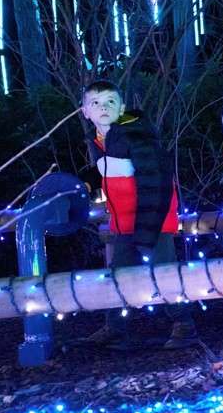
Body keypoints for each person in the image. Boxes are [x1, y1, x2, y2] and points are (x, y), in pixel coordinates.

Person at [78, 80, 198, 350]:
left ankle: (183, 323)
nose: (103, 107)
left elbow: (155, 181)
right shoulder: (100, 140)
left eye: (110, 101)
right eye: (95, 103)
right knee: (120, 273)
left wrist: (147, 229)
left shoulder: (137, 137)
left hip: (153, 217)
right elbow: (107, 170)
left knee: (164, 270)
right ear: (85, 111)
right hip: (125, 222)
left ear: (121, 107)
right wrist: (84, 183)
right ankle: (115, 327)